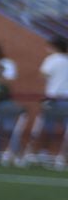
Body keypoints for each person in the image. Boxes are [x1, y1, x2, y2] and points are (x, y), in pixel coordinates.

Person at [25, 37, 68, 167]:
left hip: (53, 99)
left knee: (47, 127)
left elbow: (43, 75)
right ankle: (63, 155)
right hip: (66, 99)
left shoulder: (51, 60)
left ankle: (44, 152)